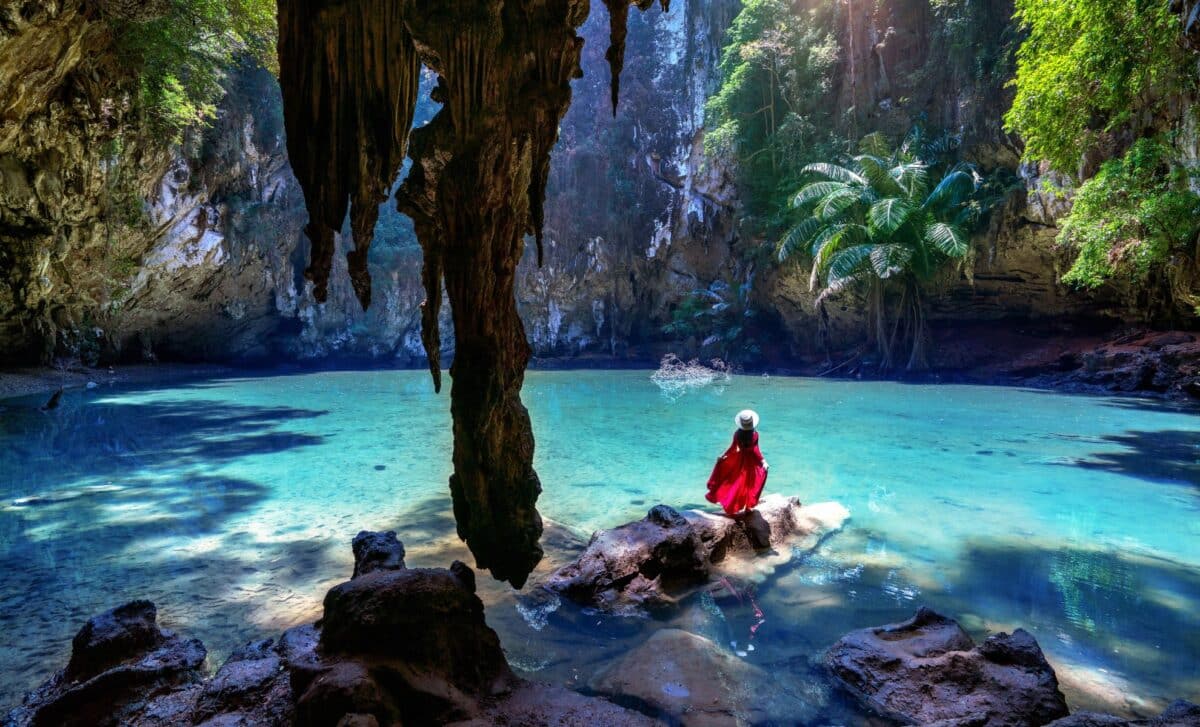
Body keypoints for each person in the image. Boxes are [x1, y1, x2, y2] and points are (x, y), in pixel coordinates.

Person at [705, 409, 768, 516]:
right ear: (752, 423)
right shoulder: (755, 434)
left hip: (740, 460)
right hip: (751, 461)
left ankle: (732, 506)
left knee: (737, 483)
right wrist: (763, 461)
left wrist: (724, 456)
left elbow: (733, 448)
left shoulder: (737, 434)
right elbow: (755, 450)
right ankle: (748, 507)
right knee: (750, 484)